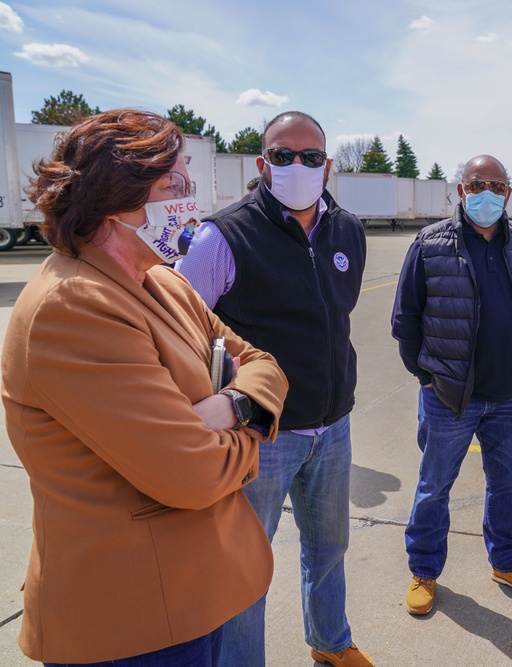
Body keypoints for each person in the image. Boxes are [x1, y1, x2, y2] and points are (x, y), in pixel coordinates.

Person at [2, 109, 288, 666]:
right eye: (174, 186)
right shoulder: (75, 307)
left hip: (200, 589)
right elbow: (194, 472)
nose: (189, 203)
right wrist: (250, 421)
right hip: (135, 623)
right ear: (118, 195)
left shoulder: (161, 281)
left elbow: (263, 364)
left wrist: (228, 406)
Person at [177, 111, 371, 667]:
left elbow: (339, 317)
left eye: (310, 157)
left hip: (333, 426)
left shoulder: (348, 231)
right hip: (262, 435)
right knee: (245, 568)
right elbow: (183, 333)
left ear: (327, 166)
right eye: (283, 156)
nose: (297, 166)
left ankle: (331, 642)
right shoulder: (224, 236)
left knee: (329, 549)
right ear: (262, 164)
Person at [391, 154, 512, 616]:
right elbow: (405, 320)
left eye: (498, 187)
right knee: (434, 487)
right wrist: (426, 378)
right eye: (478, 184)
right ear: (460, 190)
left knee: (509, 488)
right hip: (449, 398)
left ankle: (507, 562)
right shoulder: (430, 243)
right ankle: (424, 570)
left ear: (509, 194)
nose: (488, 193)